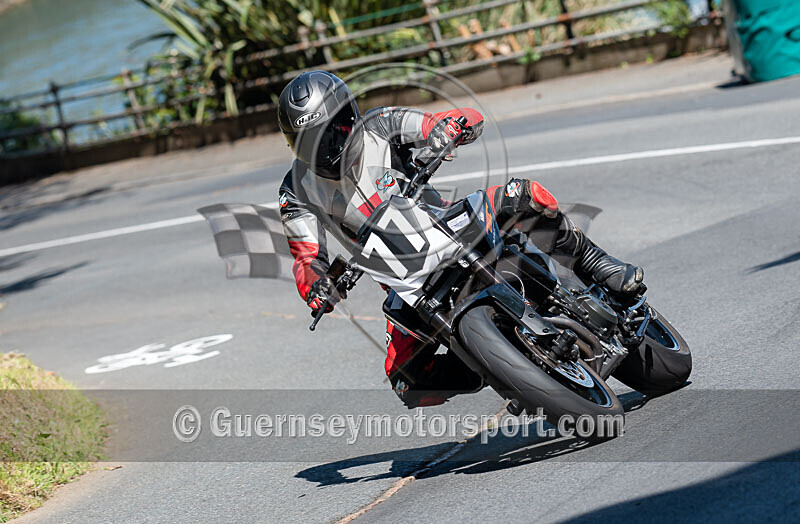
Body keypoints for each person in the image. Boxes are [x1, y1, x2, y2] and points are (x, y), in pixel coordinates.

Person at [277, 71, 644, 408]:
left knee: (524, 196)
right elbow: (305, 256)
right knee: (407, 380)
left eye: (332, 132)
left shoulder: (380, 125)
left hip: (448, 223)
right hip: (403, 277)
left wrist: (447, 128)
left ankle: (596, 263)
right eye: (308, 142)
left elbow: (432, 122)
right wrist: (318, 286)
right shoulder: (296, 190)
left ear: (350, 117)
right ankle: (495, 364)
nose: (324, 149)